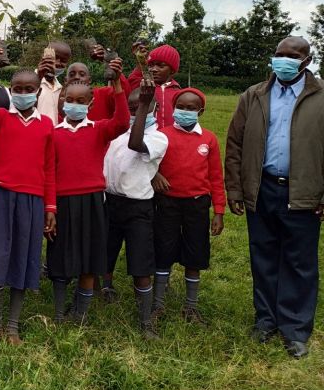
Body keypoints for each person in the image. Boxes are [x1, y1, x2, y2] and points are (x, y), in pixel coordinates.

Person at [225, 36, 324, 359]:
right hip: (263, 187)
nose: (284, 60)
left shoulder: (320, 97)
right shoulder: (254, 96)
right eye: (279, 55)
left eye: (292, 56)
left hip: (304, 191)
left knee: (300, 261)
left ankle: (295, 329)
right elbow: (235, 145)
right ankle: (265, 320)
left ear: (306, 61)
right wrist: (236, 189)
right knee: (264, 257)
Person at [0, 53, 56, 346]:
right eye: (16, 89)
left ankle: (12, 325)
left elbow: (49, 168)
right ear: (10, 90)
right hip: (1, 195)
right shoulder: (0, 118)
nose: (22, 93)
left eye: (27, 89)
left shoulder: (47, 124)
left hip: (32, 200)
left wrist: (50, 206)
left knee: (24, 257)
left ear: (38, 91)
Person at [48, 70, 128, 326]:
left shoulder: (99, 129)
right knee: (59, 258)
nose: (74, 104)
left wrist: (117, 85)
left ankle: (80, 313)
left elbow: (122, 122)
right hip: (62, 202)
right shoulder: (54, 133)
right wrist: (49, 206)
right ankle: (60, 313)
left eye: (81, 101)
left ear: (91, 105)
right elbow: (48, 172)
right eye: (69, 99)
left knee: (90, 259)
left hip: (92, 202)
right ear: (62, 102)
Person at [102, 80, 168, 339]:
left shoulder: (158, 137)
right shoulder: (118, 136)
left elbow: (136, 144)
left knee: (140, 262)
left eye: (141, 106)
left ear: (154, 107)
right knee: (105, 252)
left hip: (138, 207)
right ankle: (105, 289)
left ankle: (145, 320)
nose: (134, 111)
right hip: (111, 202)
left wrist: (142, 108)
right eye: (131, 107)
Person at [153, 87, 225, 324]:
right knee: (164, 251)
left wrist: (219, 211)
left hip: (197, 205)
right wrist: (154, 175)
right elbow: (147, 163)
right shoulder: (161, 135)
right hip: (167, 203)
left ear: (200, 111)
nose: (184, 111)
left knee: (195, 254)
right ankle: (158, 304)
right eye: (180, 107)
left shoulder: (208, 139)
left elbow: (215, 177)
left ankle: (190, 307)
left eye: (190, 108)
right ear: (173, 109)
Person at [36, 41, 72, 124]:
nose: (58, 63)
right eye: (55, 58)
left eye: (63, 61)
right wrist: (38, 78)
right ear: (44, 56)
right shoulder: (28, 83)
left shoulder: (61, 89)